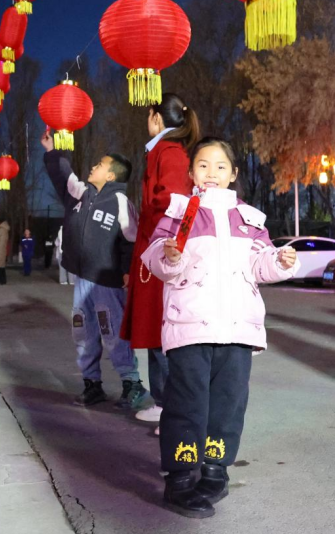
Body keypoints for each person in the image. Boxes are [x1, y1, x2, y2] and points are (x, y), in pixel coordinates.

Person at [142, 138, 297, 518]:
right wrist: (169, 256)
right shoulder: (180, 212)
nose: (212, 173)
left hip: (237, 330)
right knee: (186, 403)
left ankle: (215, 471)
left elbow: (260, 264)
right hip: (190, 326)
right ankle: (180, 479)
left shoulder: (250, 219)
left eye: (220, 166)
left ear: (233, 174)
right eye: (203, 165)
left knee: (228, 404)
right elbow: (155, 256)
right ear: (192, 172)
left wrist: (279, 260)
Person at [42, 129, 151, 409]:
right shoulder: (81, 194)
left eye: (100, 165)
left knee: (111, 331)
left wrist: (127, 270)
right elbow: (63, 176)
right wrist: (53, 151)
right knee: (83, 332)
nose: (93, 167)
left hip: (107, 282)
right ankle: (92, 385)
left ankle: (132, 384)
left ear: (111, 176)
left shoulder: (120, 203)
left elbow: (132, 240)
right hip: (83, 279)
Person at [123, 94, 199, 428]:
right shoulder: (165, 150)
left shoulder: (169, 152)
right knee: (156, 330)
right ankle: (163, 402)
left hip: (161, 253)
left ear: (156, 117)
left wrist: (155, 242)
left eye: (148, 115)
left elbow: (170, 203)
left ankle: (172, 408)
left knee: (162, 330)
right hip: (156, 250)